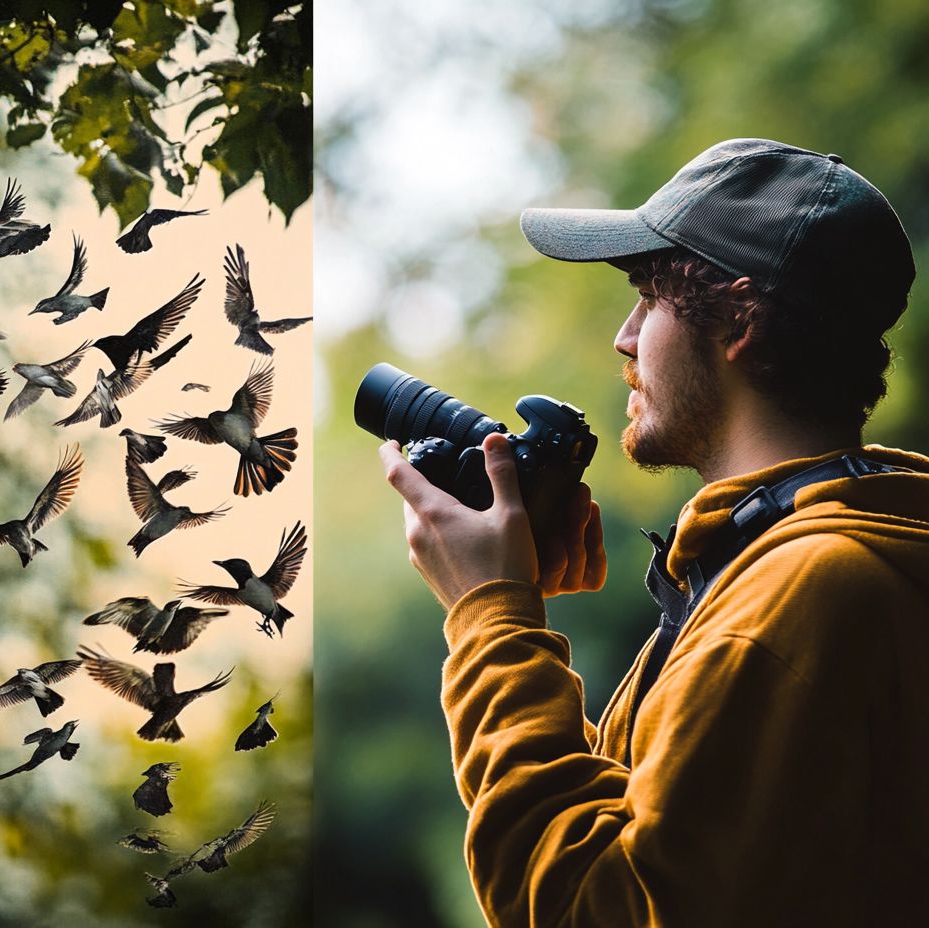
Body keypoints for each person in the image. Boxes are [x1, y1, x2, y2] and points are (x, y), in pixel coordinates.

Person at [378, 138, 929, 927]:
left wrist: (490, 617)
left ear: (738, 319)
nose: (625, 337)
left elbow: (595, 908)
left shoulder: (792, 605)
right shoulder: (808, 558)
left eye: (649, 299)